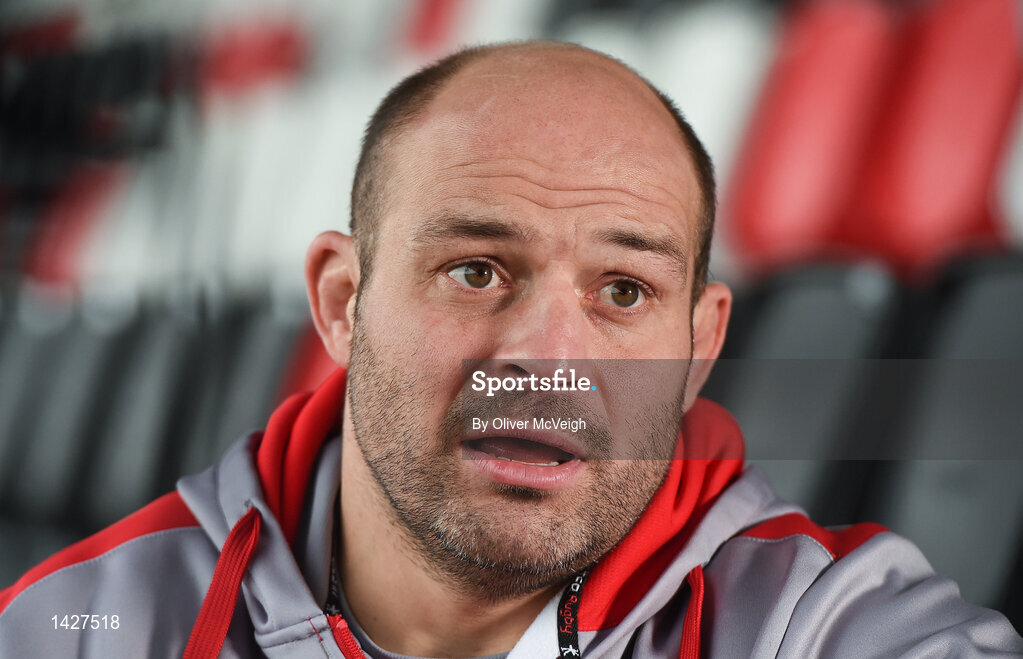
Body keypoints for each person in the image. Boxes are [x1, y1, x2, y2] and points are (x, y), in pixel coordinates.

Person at [0, 40, 1020, 658]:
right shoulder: (74, 625)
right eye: (477, 270)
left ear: (699, 345)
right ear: (342, 301)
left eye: (623, 291)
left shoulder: (824, 625)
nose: (547, 356)